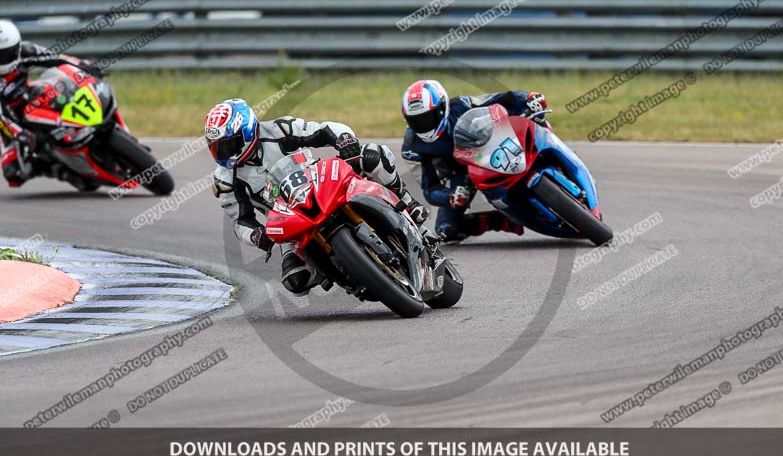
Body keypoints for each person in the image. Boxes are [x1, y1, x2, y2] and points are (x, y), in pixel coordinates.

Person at [206, 98, 429, 296]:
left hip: (322, 183)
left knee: (372, 155)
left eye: (227, 145)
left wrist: (343, 139)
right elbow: (240, 221)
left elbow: (324, 130)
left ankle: (408, 203)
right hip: (289, 218)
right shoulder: (225, 179)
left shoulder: (279, 130)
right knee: (295, 279)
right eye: (216, 148)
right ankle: (346, 271)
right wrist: (256, 235)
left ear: (245, 132)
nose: (222, 154)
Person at [400, 79, 551, 242]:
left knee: (534, 122)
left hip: (490, 145)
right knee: (446, 230)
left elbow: (500, 98)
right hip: (460, 175)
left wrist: (527, 98)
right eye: (416, 121)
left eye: (428, 118)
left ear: (443, 107)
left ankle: (555, 156)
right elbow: (430, 188)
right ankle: (503, 219)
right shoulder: (411, 147)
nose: (423, 126)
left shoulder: (460, 105)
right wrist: (450, 197)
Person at [0, 19, 100, 188]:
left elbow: (57, 58)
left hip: (30, 96)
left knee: (68, 92)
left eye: (8, 53)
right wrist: (19, 133)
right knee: (14, 173)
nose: (4, 59)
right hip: (8, 123)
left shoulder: (27, 50)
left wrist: (83, 66)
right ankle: (60, 170)